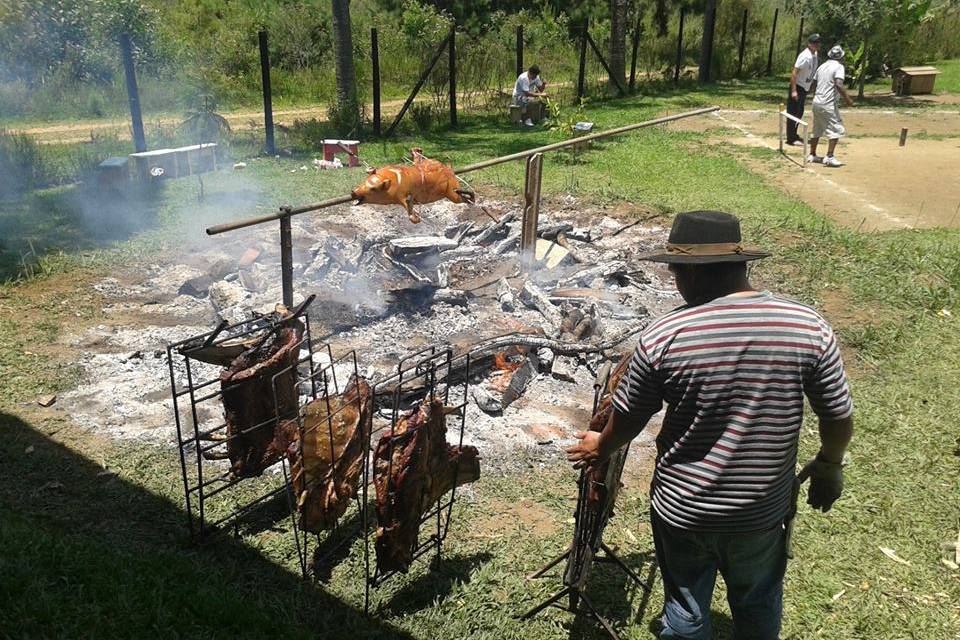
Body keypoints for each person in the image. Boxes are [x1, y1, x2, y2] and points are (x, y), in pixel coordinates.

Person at [566, 210, 854, 640]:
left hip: (685, 509)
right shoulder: (808, 326)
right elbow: (837, 414)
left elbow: (628, 420)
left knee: (685, 609)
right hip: (760, 511)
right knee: (757, 602)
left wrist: (599, 446)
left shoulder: (666, 335)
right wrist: (830, 463)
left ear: (690, 274)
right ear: (742, 265)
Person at [808, 45, 854, 167]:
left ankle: (812, 154)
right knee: (836, 129)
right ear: (841, 57)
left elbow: (813, 85)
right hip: (828, 104)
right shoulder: (839, 67)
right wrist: (848, 100)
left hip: (816, 102)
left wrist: (817, 95)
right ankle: (829, 156)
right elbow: (839, 85)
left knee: (817, 128)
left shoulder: (822, 66)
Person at [786, 34, 821, 146]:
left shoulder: (814, 54)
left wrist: (810, 85)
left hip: (804, 88)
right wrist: (794, 90)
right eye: (815, 43)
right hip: (798, 87)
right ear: (809, 44)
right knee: (793, 112)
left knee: (799, 112)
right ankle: (791, 138)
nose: (817, 45)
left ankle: (794, 134)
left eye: (818, 43)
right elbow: (794, 73)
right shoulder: (805, 56)